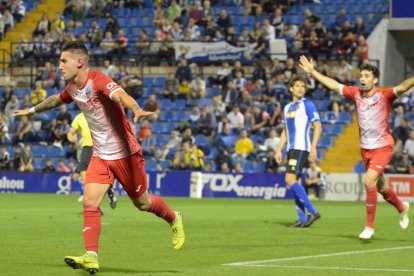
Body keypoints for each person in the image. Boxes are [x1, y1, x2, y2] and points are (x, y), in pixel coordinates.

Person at [14, 41, 185, 274]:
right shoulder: (73, 88)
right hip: (100, 156)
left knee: (142, 203)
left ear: (80, 62)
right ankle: (91, 256)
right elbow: (55, 100)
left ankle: (174, 218)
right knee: (89, 201)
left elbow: (119, 94)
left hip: (126, 155)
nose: (59, 66)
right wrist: (31, 111)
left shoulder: (98, 81)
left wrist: (135, 108)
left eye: (64, 61)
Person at [299, 55, 412, 239]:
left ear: (375, 79)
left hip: (383, 147)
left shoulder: (385, 95)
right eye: (361, 76)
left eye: (367, 76)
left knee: (368, 181)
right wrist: (313, 72)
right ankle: (401, 207)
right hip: (365, 149)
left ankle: (369, 227)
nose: (362, 79)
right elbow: (334, 85)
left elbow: (404, 85)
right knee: (382, 188)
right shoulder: (355, 94)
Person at [275, 76, 322, 228]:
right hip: (291, 149)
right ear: (291, 89)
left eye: (303, 86)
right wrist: (279, 148)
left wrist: (314, 146)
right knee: (295, 181)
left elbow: (318, 126)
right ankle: (302, 219)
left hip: (301, 148)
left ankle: (313, 211)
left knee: (289, 179)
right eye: (297, 85)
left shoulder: (307, 105)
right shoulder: (287, 107)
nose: (301, 88)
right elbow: (285, 131)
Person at [68, 111, 118, 207]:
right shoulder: (79, 117)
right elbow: (71, 133)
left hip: (100, 147)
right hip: (87, 148)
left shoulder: (100, 114)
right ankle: (94, 205)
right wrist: (71, 138)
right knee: (84, 174)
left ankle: (109, 192)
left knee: (101, 176)